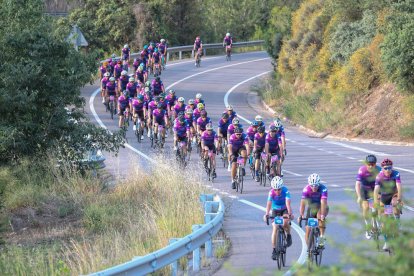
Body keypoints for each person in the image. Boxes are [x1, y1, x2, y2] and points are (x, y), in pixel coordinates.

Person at [374, 158, 403, 250]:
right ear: (382, 169)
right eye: (385, 168)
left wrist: (399, 198)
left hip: (394, 194)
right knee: (383, 221)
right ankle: (387, 242)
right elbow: (376, 191)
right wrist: (375, 203)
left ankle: (397, 223)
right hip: (384, 197)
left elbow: (399, 187)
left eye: (389, 168)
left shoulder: (396, 173)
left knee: (395, 204)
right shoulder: (379, 176)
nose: (388, 170)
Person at [264, 176, 293, 260]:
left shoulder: (285, 191)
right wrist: (266, 214)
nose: (277, 191)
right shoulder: (271, 192)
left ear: (282, 187)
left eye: (279, 189)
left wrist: (290, 214)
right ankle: (274, 250)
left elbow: (288, 203)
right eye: (275, 189)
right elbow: (269, 204)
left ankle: (288, 235)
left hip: (284, 209)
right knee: (275, 227)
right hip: (275, 210)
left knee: (285, 223)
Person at [298, 173, 329, 247]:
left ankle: (321, 237)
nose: (314, 187)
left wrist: (322, 215)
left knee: (319, 217)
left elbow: (323, 202)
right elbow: (303, 203)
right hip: (312, 207)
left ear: (319, 184)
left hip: (322, 206)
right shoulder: (306, 189)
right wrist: (301, 215)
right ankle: (308, 250)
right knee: (308, 230)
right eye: (312, 185)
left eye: (316, 185)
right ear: (309, 184)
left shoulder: (323, 189)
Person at [355, 154, 381, 239]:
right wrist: (359, 196)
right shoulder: (362, 170)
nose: (370, 166)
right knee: (365, 207)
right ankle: (367, 227)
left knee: (376, 207)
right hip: (365, 190)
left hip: (375, 189)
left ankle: (376, 222)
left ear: (375, 164)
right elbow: (357, 184)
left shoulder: (379, 170)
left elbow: (383, 184)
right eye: (369, 164)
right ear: (366, 163)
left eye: (372, 164)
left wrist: (381, 195)